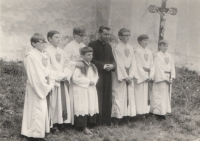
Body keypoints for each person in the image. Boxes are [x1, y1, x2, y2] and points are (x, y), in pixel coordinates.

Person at [21, 33, 68, 141]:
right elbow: (35, 75)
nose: (43, 44)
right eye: (40, 42)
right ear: (33, 43)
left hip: (44, 85)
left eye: (44, 41)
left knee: (42, 110)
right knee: (37, 110)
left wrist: (58, 76)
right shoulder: (31, 56)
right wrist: (47, 85)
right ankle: (34, 135)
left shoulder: (43, 54)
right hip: (36, 87)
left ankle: (39, 132)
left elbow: (46, 70)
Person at [45, 30, 72, 131]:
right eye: (56, 37)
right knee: (54, 102)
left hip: (62, 80)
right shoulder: (46, 51)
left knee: (62, 101)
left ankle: (61, 122)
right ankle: (53, 123)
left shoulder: (62, 51)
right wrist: (59, 76)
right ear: (49, 39)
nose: (59, 39)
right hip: (54, 80)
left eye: (59, 37)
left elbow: (67, 64)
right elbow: (48, 67)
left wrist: (66, 74)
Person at [88, 26, 115, 126]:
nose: (107, 36)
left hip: (107, 75)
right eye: (105, 34)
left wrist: (112, 65)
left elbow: (112, 59)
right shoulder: (92, 44)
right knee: (98, 97)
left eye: (108, 34)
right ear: (99, 34)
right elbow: (91, 59)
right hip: (97, 74)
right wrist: (103, 66)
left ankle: (106, 121)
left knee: (107, 97)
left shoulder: (109, 46)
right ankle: (97, 122)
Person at [111, 28, 137, 126]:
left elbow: (133, 62)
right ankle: (116, 118)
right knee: (119, 96)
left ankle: (127, 117)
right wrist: (125, 77)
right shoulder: (117, 48)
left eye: (128, 35)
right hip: (120, 75)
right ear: (120, 36)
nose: (127, 37)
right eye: (125, 35)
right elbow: (119, 63)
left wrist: (131, 75)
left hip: (129, 75)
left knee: (129, 96)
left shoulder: (130, 48)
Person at [72, 47, 99, 134]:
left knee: (90, 106)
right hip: (82, 89)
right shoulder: (80, 66)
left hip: (90, 89)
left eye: (91, 55)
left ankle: (89, 125)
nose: (90, 57)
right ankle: (82, 126)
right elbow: (75, 78)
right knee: (82, 106)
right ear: (82, 55)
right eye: (88, 55)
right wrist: (88, 82)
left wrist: (93, 81)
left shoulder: (93, 66)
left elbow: (96, 76)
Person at [64, 27, 87, 125]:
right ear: (74, 35)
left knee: (82, 97)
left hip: (83, 72)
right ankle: (73, 120)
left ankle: (81, 119)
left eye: (83, 35)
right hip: (74, 73)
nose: (82, 37)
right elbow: (65, 61)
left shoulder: (83, 45)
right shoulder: (69, 47)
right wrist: (75, 63)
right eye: (80, 35)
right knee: (75, 96)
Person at [150, 40, 175, 120]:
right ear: (159, 46)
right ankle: (157, 113)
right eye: (163, 46)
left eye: (166, 46)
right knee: (159, 95)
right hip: (161, 78)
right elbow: (158, 68)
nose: (165, 47)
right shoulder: (157, 56)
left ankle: (163, 111)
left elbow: (172, 67)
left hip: (168, 77)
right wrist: (164, 78)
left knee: (165, 95)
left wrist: (171, 77)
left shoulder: (169, 56)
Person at [134, 34, 155, 117]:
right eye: (144, 40)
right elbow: (138, 65)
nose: (146, 42)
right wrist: (145, 77)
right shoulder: (137, 51)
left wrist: (151, 75)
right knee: (139, 94)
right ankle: (138, 112)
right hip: (141, 76)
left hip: (148, 75)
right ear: (140, 41)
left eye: (147, 40)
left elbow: (152, 65)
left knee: (146, 94)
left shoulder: (149, 52)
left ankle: (145, 112)